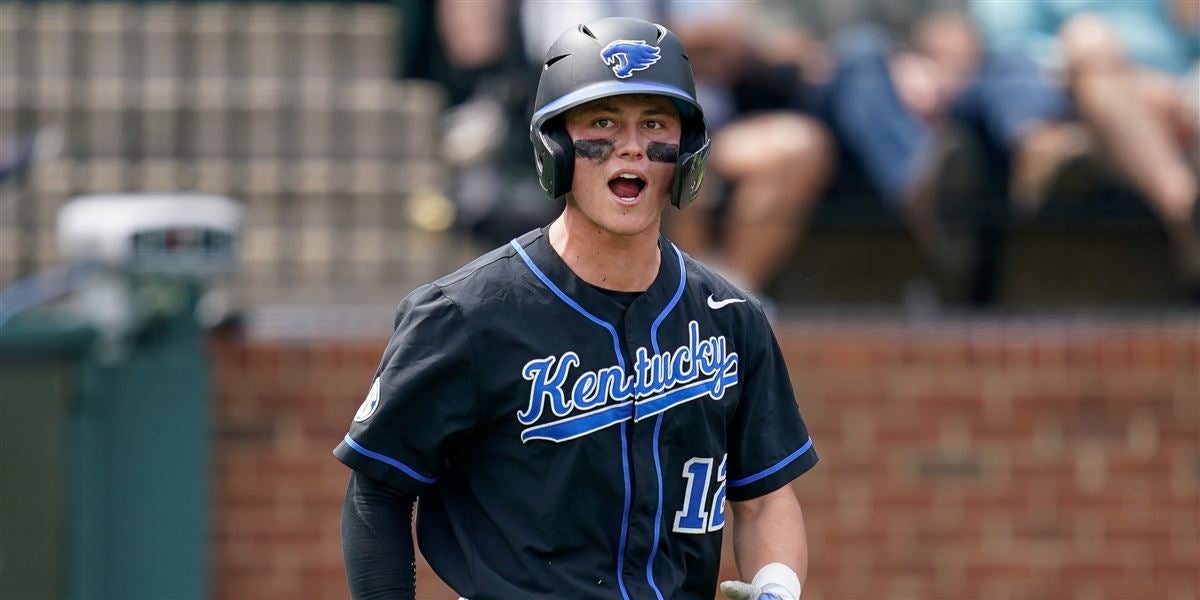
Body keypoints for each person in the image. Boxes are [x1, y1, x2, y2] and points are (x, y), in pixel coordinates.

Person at [334, 17, 818, 600]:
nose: (631, 145)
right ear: (555, 149)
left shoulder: (730, 316)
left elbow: (765, 498)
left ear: (686, 154)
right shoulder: (463, 315)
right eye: (603, 122)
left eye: (656, 123)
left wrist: (776, 587)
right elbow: (378, 492)